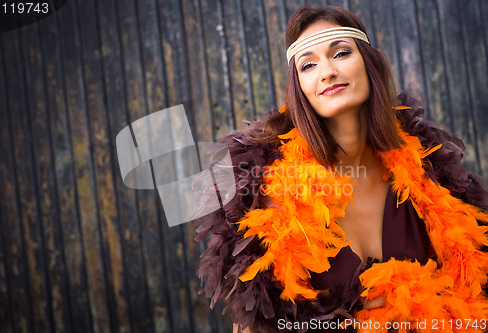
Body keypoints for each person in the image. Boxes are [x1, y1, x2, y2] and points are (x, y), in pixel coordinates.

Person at [195, 5, 488, 333]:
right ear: (300, 89)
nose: (327, 72)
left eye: (341, 53)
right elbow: (252, 325)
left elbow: (474, 292)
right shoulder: (270, 190)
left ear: (369, 62)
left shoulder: (429, 169)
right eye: (308, 64)